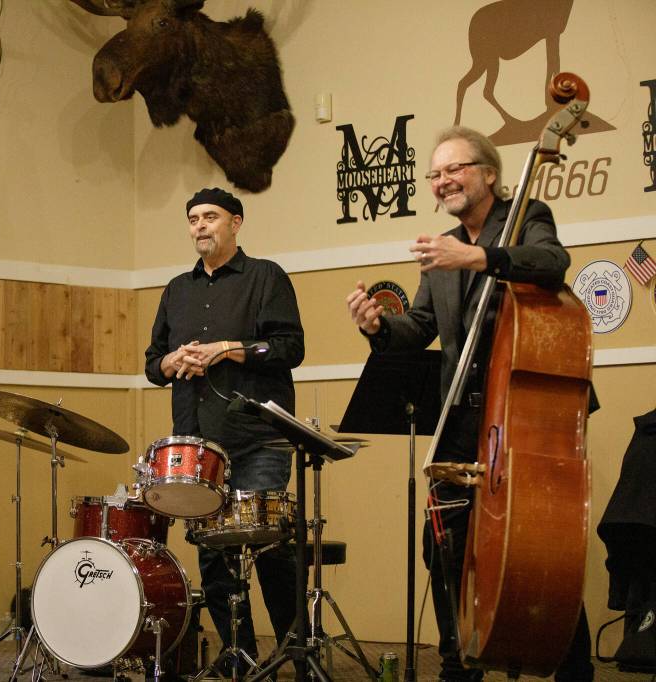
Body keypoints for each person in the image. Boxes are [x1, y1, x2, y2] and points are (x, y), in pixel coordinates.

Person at [345, 127, 593, 682]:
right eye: (434, 174)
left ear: (488, 174)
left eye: (453, 169)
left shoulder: (527, 214)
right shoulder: (442, 251)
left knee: (535, 545)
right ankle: (459, 665)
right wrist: (379, 327)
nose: (442, 182)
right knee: (445, 548)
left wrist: (478, 256)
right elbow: (421, 329)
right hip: (462, 418)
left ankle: (573, 668)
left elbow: (551, 262)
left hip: (525, 417)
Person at [144, 187, 305, 675]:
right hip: (198, 445)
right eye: (192, 219)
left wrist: (227, 349)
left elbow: (289, 347)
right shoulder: (176, 289)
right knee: (214, 558)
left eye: (209, 217)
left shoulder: (266, 277)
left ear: (236, 222)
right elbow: (153, 364)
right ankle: (242, 658)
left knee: (266, 546)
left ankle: (294, 653)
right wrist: (173, 360)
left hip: (258, 438)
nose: (199, 226)